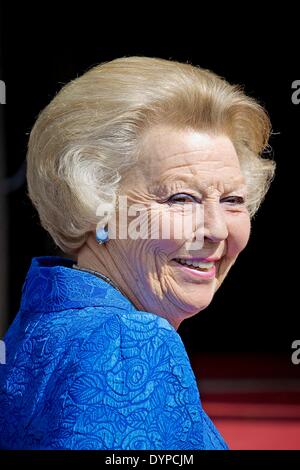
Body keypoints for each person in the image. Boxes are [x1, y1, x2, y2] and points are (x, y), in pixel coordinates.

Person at [0, 56, 275, 450]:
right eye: (181, 198)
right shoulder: (127, 342)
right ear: (95, 205)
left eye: (232, 200)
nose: (216, 229)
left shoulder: (47, 322)